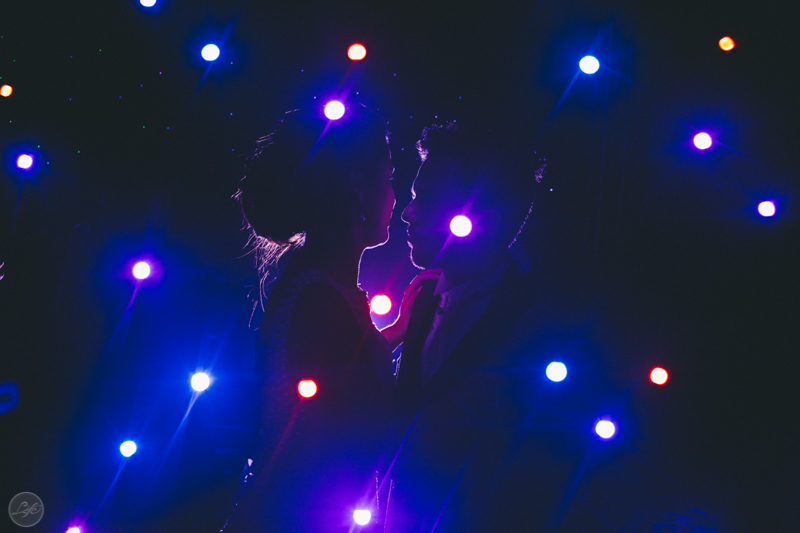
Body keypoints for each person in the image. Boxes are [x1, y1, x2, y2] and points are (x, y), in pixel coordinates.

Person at [221, 105, 438, 533]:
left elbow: (342, 376)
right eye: (389, 177)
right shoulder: (318, 299)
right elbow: (351, 435)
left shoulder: (322, 286)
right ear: (357, 185)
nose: (397, 199)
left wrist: (395, 334)